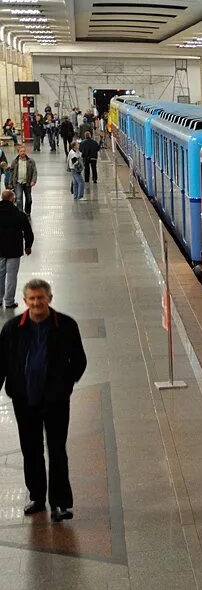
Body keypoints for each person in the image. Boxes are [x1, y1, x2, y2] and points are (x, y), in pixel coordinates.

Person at [0, 278, 87, 523]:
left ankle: (60, 503)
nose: (37, 302)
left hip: (56, 401)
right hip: (24, 399)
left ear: (49, 298)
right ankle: (37, 497)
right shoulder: (12, 328)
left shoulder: (66, 326)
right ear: (26, 301)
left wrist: (65, 384)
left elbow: (79, 360)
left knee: (58, 450)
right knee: (31, 448)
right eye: (32, 298)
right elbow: (2, 363)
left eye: (41, 298)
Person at [0, 189, 32, 308]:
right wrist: (28, 246)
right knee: (12, 276)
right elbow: (28, 232)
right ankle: (9, 301)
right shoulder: (19, 214)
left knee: (0, 274)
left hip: (0, 250)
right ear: (13, 199)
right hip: (14, 249)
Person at [10, 145, 37, 215]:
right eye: (21, 151)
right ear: (18, 152)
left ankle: (27, 212)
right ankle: (20, 213)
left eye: (24, 151)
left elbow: (34, 172)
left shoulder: (31, 161)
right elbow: (11, 173)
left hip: (27, 183)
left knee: (29, 199)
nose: (23, 152)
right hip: (18, 182)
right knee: (18, 198)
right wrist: (10, 183)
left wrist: (33, 181)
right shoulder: (15, 161)